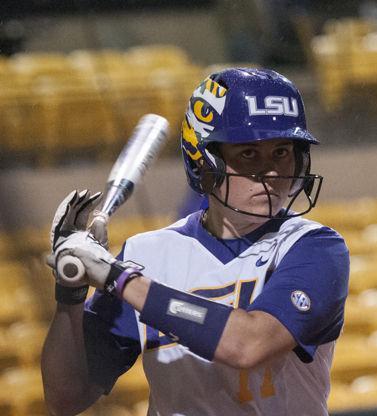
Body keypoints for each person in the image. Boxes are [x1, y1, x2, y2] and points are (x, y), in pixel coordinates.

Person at [41, 68, 350, 416]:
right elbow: (65, 398)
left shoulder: (315, 248)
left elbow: (249, 345)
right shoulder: (147, 255)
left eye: (282, 152)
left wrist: (118, 278)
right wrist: (70, 295)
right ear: (204, 162)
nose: (273, 173)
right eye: (249, 154)